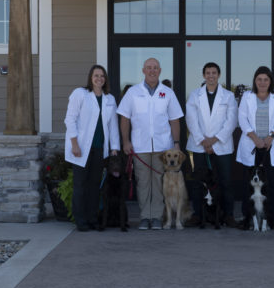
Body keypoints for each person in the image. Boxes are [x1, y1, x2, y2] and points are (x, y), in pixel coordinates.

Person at [117, 58, 184, 230]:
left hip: (163, 148)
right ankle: (145, 217)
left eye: (155, 68)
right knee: (143, 183)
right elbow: (124, 118)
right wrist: (125, 141)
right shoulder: (133, 92)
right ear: (143, 70)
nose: (152, 71)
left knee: (159, 183)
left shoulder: (167, 92)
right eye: (149, 68)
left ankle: (156, 217)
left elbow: (175, 120)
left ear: (160, 71)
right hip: (140, 147)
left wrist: (176, 144)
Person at [63, 64, 120, 232]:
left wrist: (114, 148)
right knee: (80, 185)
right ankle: (81, 221)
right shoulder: (80, 94)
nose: (99, 79)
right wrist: (74, 144)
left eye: (102, 76)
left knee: (95, 186)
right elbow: (70, 119)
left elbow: (113, 126)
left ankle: (93, 218)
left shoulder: (110, 99)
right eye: (96, 75)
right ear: (90, 77)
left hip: (99, 149)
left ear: (105, 79)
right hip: (80, 148)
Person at [186, 62, 238, 228]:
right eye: (207, 73)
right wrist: (203, 140)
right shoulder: (195, 95)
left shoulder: (228, 96)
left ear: (218, 75)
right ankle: (197, 215)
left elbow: (231, 122)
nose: (211, 76)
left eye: (214, 73)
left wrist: (214, 140)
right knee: (198, 182)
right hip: (199, 145)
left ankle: (228, 215)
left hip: (221, 146)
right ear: (203, 75)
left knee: (225, 181)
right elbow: (191, 120)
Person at [236, 66, 274, 230]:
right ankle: (247, 219)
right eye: (259, 79)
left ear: (270, 81)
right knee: (248, 186)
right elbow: (242, 118)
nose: (263, 82)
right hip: (252, 144)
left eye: (266, 79)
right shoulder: (247, 96)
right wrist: (255, 138)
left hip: (272, 145)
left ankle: (272, 219)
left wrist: (271, 137)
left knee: (272, 185)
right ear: (255, 81)